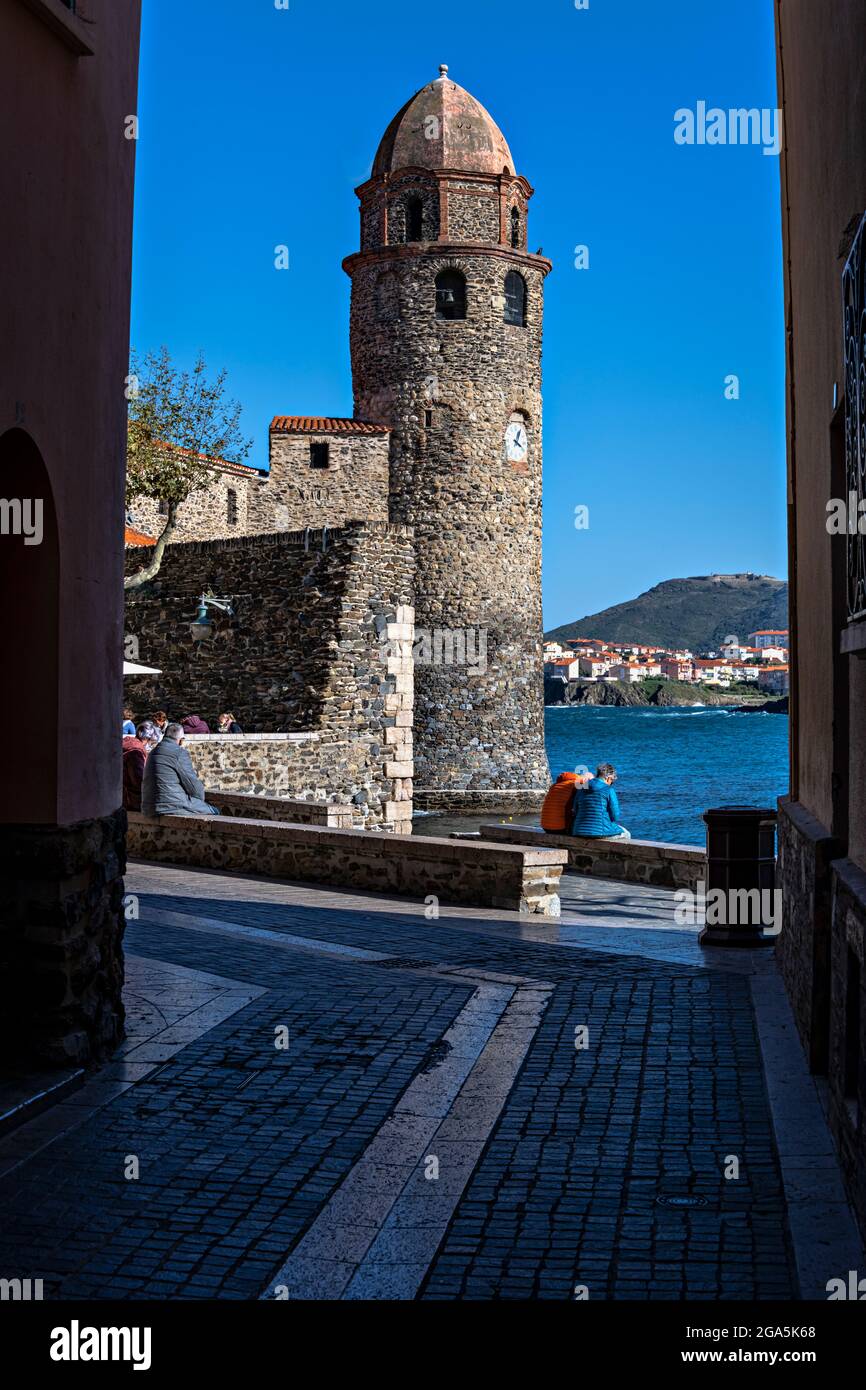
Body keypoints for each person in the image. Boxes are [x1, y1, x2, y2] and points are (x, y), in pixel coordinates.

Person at [141, 722, 220, 817]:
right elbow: (193, 785)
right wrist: (198, 801)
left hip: (149, 807)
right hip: (171, 805)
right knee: (214, 811)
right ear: (181, 740)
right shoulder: (179, 753)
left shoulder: (153, 752)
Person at [571, 763, 631, 841]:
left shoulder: (581, 788)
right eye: (612, 781)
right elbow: (615, 816)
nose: (611, 784)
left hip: (578, 830)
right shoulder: (608, 790)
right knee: (626, 834)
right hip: (600, 832)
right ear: (608, 778)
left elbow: (575, 811)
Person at [122, 721, 160, 812]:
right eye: (152, 742)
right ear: (147, 739)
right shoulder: (136, 752)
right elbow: (139, 781)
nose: (151, 746)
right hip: (130, 800)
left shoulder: (127, 745)